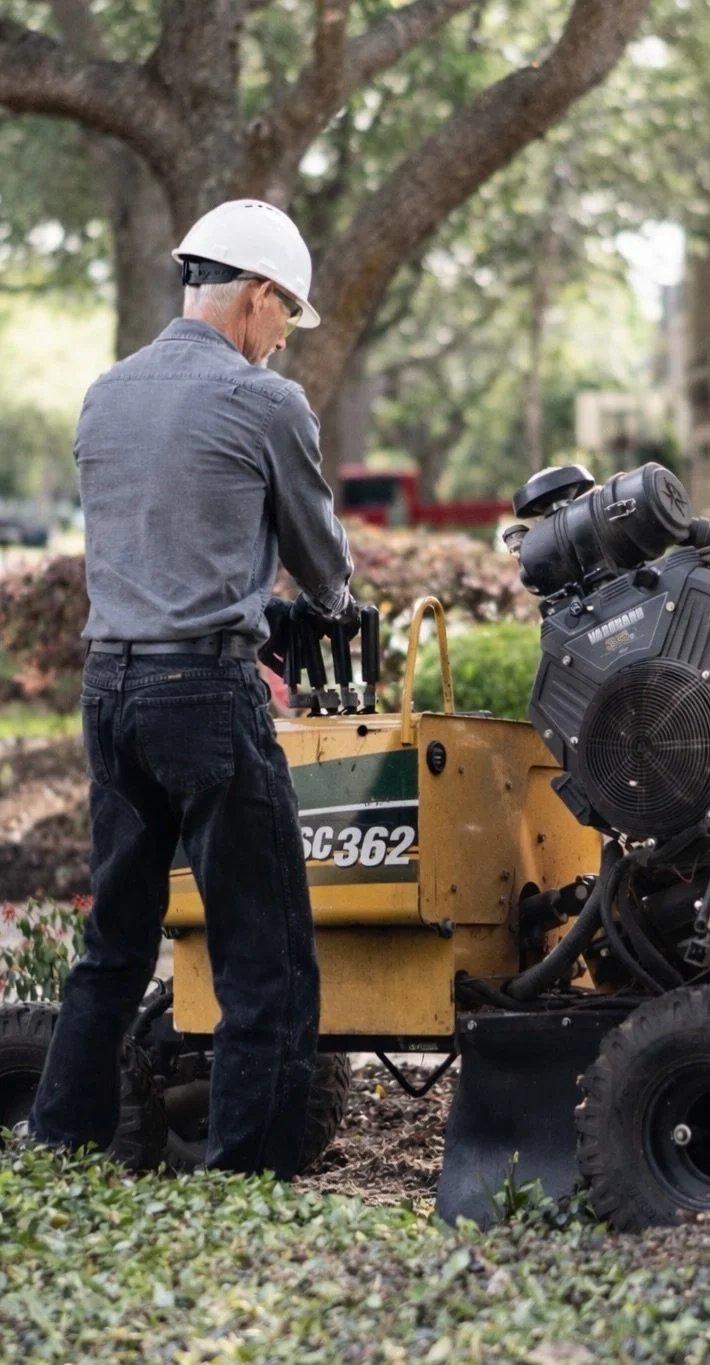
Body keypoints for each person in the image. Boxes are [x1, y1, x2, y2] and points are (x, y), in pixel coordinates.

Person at [26, 199, 353, 1180]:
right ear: (258, 295)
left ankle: (60, 1148)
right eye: (286, 316)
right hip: (205, 695)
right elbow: (322, 563)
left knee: (115, 942)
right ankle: (247, 1181)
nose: (283, 339)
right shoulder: (266, 402)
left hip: (109, 692)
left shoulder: (105, 394)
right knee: (267, 955)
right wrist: (328, 606)